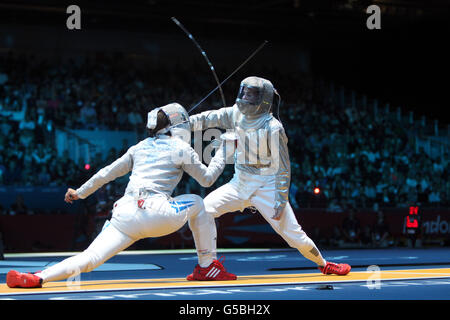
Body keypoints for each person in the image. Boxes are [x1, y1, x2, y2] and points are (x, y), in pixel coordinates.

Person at [7, 103, 236, 288]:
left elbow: (107, 173)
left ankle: (38, 277)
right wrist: (225, 149)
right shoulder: (181, 148)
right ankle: (207, 266)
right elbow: (207, 179)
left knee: (90, 258)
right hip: (159, 213)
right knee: (197, 201)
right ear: (176, 126)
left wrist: (79, 192)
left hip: (124, 214)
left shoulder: (138, 148)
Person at [187, 76, 351, 278]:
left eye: (251, 93)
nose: (246, 95)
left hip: (267, 186)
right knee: (204, 210)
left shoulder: (273, 127)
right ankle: (208, 266)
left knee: (293, 234)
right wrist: (181, 123)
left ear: (263, 98)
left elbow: (283, 167)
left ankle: (324, 264)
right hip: (239, 183)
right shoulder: (236, 114)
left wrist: (281, 199)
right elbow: (208, 118)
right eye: (244, 91)